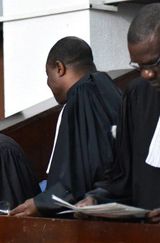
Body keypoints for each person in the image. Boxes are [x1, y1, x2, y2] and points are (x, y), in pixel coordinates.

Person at [10, 37, 122, 217]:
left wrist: (41, 202)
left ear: (59, 68)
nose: (48, 83)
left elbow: (80, 174)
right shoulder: (112, 91)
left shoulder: (81, 95)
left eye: (48, 75)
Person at [77, 3, 160, 223]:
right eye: (138, 66)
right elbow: (123, 176)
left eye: (154, 63)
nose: (148, 74)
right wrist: (97, 199)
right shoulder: (138, 94)